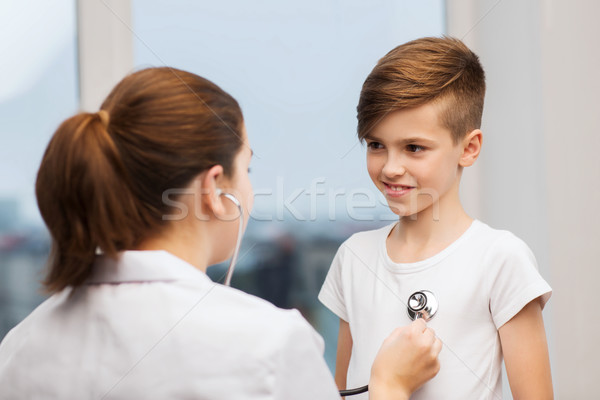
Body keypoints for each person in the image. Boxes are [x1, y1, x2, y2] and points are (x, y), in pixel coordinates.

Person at [0, 67, 441, 399]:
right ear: (214, 187)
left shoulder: (20, 348)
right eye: (245, 169)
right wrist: (390, 385)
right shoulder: (269, 342)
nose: (249, 189)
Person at [318, 37, 554, 399]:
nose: (391, 167)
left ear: (468, 148)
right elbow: (342, 392)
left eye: (414, 148)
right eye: (376, 144)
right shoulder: (354, 257)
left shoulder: (500, 259)